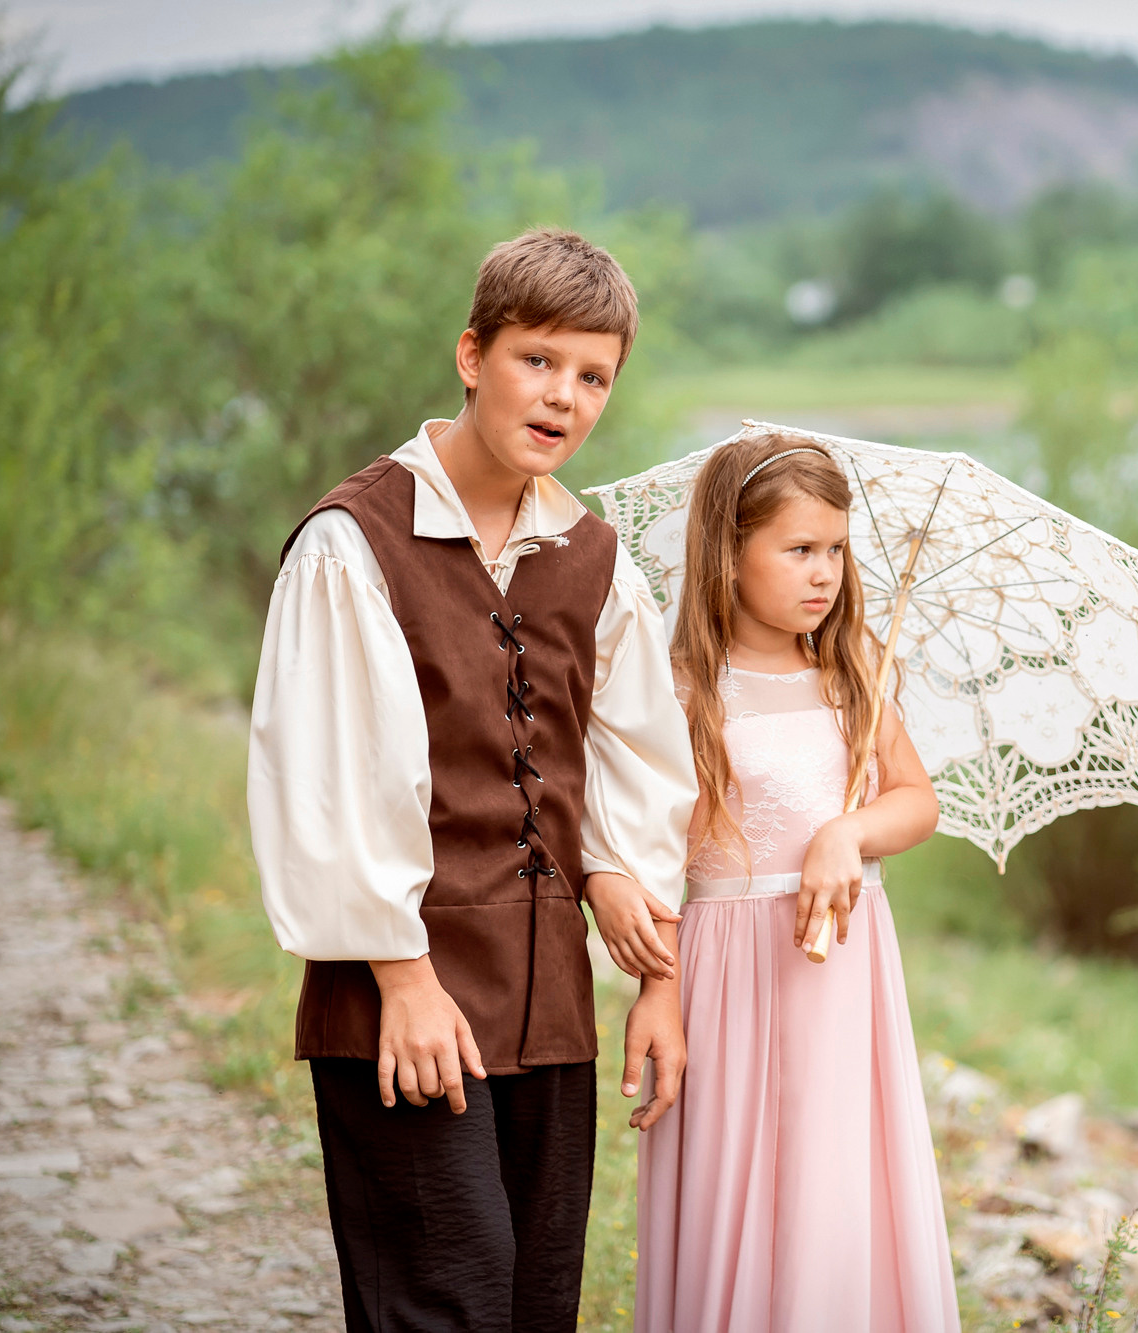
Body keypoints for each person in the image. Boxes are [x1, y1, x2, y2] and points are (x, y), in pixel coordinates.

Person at [246, 228, 697, 1332]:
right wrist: (401, 978)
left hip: (549, 1007)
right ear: (470, 354)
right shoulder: (356, 545)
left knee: (534, 1306)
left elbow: (637, 764)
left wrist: (650, 958)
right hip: (405, 989)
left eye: (593, 377)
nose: (562, 399)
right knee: (444, 1304)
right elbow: (329, 786)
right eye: (536, 361)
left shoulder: (593, 560)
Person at [614, 434, 961, 1333]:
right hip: (730, 973)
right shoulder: (687, 687)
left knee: (834, 1175)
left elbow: (916, 801)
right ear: (730, 553)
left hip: (843, 975)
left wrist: (848, 830)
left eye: (837, 550)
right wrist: (657, 985)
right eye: (800, 549)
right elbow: (656, 858)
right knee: (745, 1178)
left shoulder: (853, 671)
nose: (826, 574)